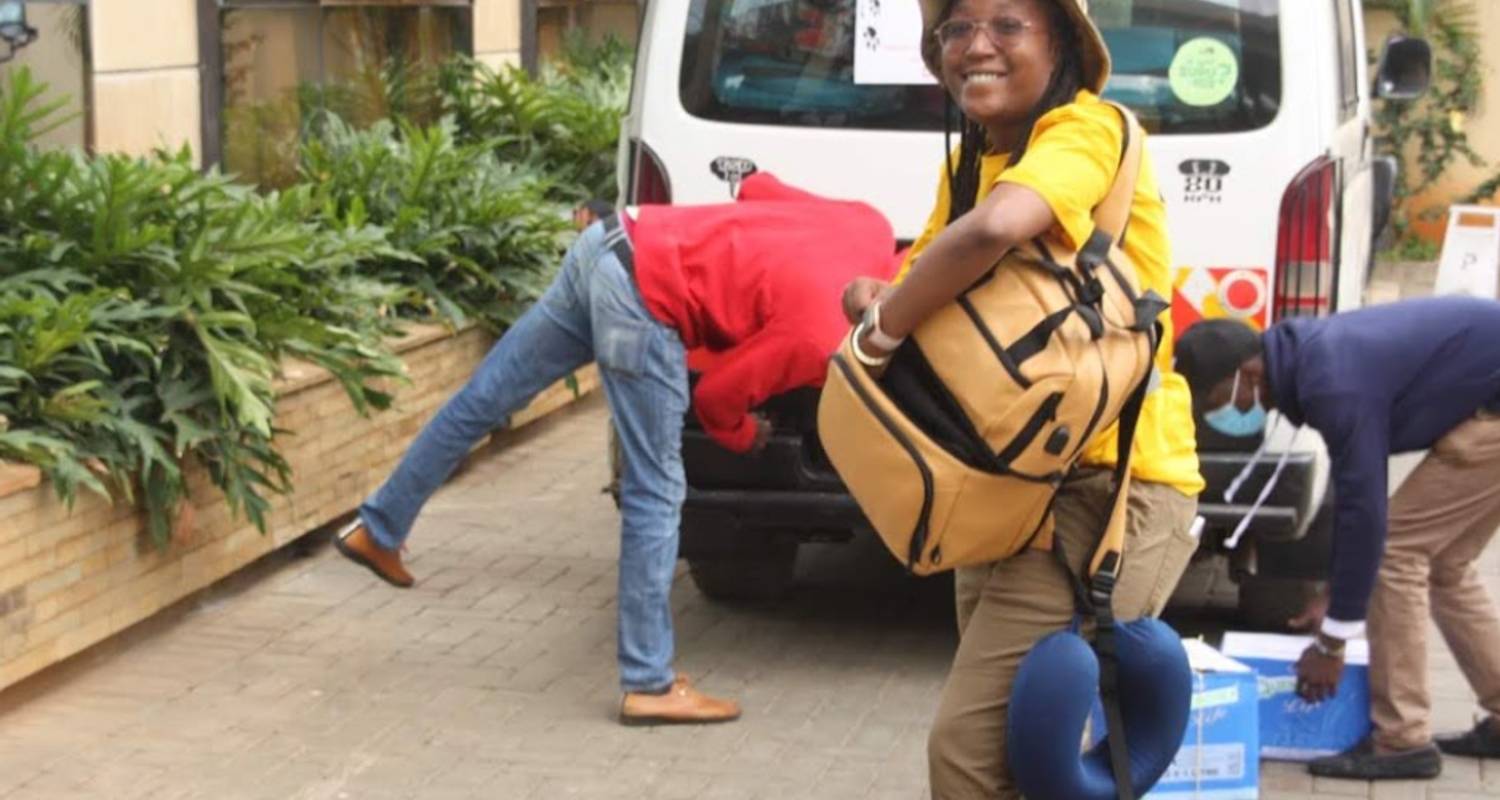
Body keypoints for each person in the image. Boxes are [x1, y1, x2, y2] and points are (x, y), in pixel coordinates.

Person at [333, 172, 898, 726]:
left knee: (484, 399)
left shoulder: (870, 224)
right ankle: (649, 682)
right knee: (658, 488)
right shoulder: (824, 337)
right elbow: (719, 399)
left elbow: (755, 188)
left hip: (612, 240)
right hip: (647, 305)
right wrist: (748, 435)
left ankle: (379, 527)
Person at [839, 0, 1203, 795]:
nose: (976, 46)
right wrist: (879, 298)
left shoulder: (1086, 130)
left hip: (1111, 492)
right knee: (1012, 751)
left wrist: (879, 329)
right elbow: (925, 282)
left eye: (1007, 26)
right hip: (1006, 485)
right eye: (956, 30)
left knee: (971, 753)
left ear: (1062, 42)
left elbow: (993, 230)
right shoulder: (970, 163)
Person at [1176, 297, 1500, 781]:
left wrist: (1332, 643)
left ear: (1249, 372)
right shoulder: (1309, 360)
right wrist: (1335, 595)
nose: (1216, 411)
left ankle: (1401, 739)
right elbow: (1356, 503)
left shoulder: (1331, 382)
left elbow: (1367, 511)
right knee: (1444, 564)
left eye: (1216, 397)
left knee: (1399, 553)